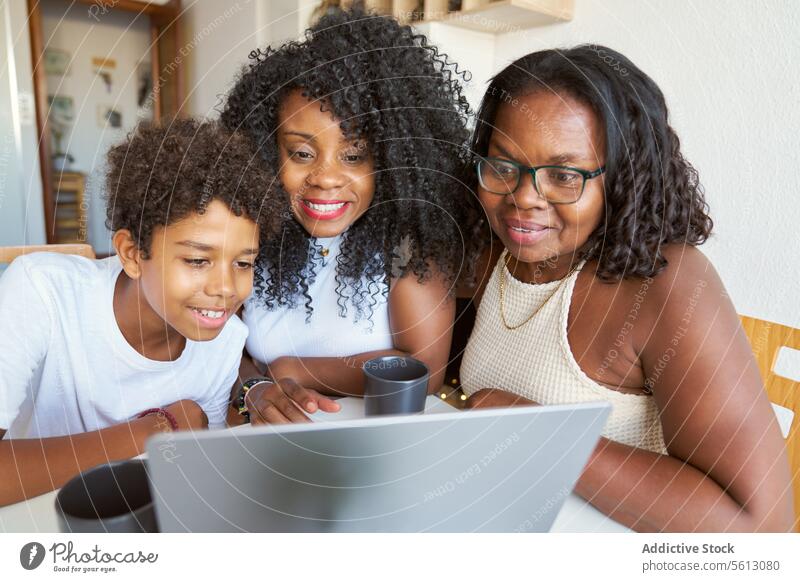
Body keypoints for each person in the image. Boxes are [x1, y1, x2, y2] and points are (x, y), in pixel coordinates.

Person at [459, 45, 793, 531]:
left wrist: (548, 436)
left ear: (621, 178)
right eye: (503, 167)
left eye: (564, 175)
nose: (523, 198)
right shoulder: (496, 249)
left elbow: (760, 525)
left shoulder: (666, 281)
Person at [221, 5, 485, 424]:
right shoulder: (252, 233)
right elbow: (214, 346)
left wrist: (292, 370)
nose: (326, 178)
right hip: (269, 444)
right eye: (302, 153)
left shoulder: (409, 239)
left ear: (393, 157)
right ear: (268, 152)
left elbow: (422, 371)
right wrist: (256, 385)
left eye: (354, 155)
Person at [0, 119, 277, 506]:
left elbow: (189, 484)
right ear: (131, 253)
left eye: (244, 263)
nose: (226, 289)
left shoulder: (224, 341)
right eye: (198, 260)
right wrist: (158, 427)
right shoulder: (42, 291)